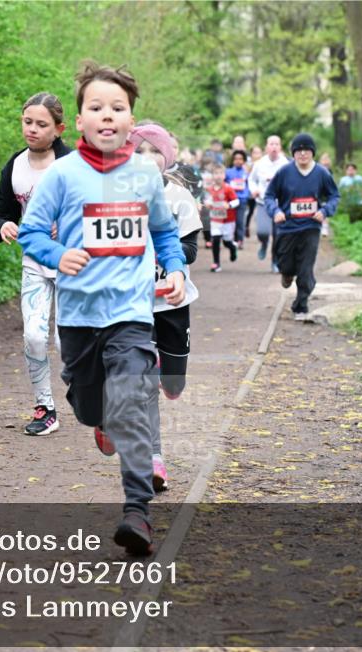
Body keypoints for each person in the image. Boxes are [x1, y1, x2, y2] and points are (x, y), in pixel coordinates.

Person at [18, 61, 186, 556]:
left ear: (132, 120)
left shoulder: (143, 177)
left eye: (118, 108)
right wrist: (57, 254)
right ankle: (97, 416)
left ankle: (137, 513)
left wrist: (173, 269)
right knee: (92, 405)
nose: (107, 115)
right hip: (78, 319)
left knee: (132, 401)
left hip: (131, 315)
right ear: (81, 118)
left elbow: (163, 232)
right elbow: (31, 233)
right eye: (97, 107)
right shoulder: (62, 175)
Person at [0, 92, 70, 436]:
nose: (32, 129)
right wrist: (1, 225)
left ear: (59, 129)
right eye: (27, 121)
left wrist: (66, 222)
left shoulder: (73, 166)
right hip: (34, 262)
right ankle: (45, 407)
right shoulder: (15, 166)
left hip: (73, 263)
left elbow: (97, 211)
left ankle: (89, 393)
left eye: (41, 124)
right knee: (34, 336)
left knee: (68, 342)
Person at [129, 122, 201, 492]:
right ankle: (154, 460)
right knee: (144, 385)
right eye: (139, 151)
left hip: (173, 301)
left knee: (172, 383)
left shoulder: (179, 198)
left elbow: (189, 250)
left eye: (154, 151)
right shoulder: (118, 194)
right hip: (135, 305)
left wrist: (158, 247)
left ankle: (167, 375)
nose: (146, 158)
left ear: (167, 157)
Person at [265, 133, 340, 321]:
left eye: (307, 150)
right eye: (298, 150)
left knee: (306, 268)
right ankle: (287, 273)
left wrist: (325, 210)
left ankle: (301, 304)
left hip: (311, 227)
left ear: (312, 152)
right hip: (287, 227)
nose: (303, 154)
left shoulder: (322, 173)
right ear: (293, 153)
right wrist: (275, 211)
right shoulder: (284, 172)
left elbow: (334, 196)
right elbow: (269, 195)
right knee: (286, 264)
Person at [247, 135, 289, 264]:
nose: (274, 147)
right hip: (262, 202)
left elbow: (290, 182)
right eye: (271, 144)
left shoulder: (285, 164)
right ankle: (264, 244)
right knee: (262, 232)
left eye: (277, 144)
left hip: (279, 205)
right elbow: (251, 179)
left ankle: (275, 261)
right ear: (266, 147)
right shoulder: (259, 164)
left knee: (278, 235)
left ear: (280, 147)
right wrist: (254, 190)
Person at [205, 163, 239, 272]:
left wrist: (228, 205)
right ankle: (216, 263)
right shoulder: (209, 189)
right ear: (212, 176)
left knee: (226, 242)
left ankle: (232, 247)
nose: (218, 176)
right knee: (215, 239)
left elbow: (236, 201)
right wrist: (208, 204)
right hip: (215, 220)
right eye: (215, 173)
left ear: (224, 175)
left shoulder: (228, 188)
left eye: (220, 173)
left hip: (228, 220)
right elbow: (207, 200)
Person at [225, 149, 250, 246]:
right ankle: (231, 239)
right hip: (231, 201)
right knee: (231, 220)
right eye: (236, 159)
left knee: (240, 221)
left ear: (244, 160)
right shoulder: (228, 172)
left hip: (242, 200)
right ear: (233, 160)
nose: (238, 161)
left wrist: (248, 194)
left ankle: (240, 240)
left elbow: (250, 184)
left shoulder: (246, 172)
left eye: (240, 159)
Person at [317, 152, 333, 237]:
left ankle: (325, 228)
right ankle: (319, 226)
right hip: (318, 194)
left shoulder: (330, 172)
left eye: (327, 162)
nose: (325, 163)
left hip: (326, 195)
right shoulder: (317, 171)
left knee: (325, 211)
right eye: (324, 161)